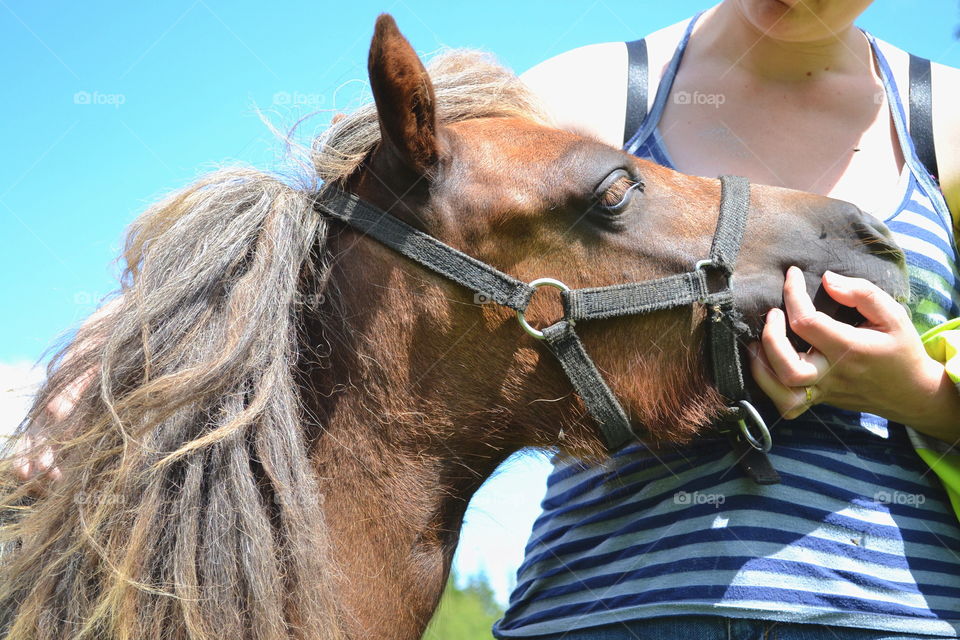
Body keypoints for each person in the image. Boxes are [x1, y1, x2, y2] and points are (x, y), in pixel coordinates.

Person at [493, 1, 960, 638]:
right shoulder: (579, 96)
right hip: (605, 611)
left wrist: (924, 397)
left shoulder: (948, 122)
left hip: (892, 617)